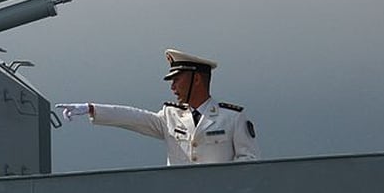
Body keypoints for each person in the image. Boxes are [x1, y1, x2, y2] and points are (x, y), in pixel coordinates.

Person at [56, 48, 260, 165]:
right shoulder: (171, 116)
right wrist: (91, 108)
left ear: (196, 79)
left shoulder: (232, 118)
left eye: (177, 80)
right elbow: (134, 118)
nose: (172, 87)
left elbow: (249, 162)